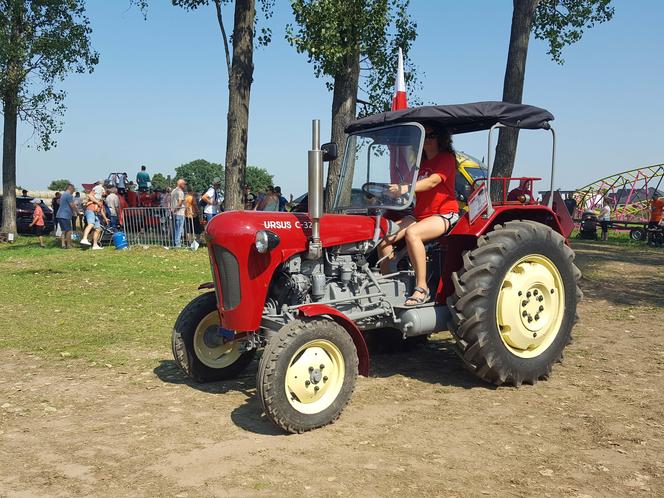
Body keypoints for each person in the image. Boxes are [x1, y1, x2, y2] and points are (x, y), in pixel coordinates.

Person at [377, 124, 459, 306]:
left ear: (441, 138)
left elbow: (432, 182)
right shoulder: (420, 164)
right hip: (420, 215)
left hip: (444, 214)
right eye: (424, 136)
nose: (427, 139)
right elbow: (407, 187)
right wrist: (390, 191)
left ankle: (422, 287)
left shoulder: (446, 158)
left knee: (413, 234)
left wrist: (405, 188)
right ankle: (390, 285)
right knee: (384, 238)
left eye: (432, 135)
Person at [81, 180, 107, 249]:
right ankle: (84, 239)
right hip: (90, 210)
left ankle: (95, 245)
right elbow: (90, 195)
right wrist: (97, 202)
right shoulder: (99, 188)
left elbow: (101, 210)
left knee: (98, 229)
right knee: (91, 224)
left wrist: (105, 219)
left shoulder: (100, 199)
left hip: (95, 213)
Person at [55, 184, 80, 249]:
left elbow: (60, 203)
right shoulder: (69, 195)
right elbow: (72, 205)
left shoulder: (63, 195)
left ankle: (63, 244)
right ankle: (69, 245)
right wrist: (77, 212)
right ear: (70, 188)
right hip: (65, 215)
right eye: (73, 190)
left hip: (59, 215)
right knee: (69, 231)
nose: (73, 191)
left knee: (63, 231)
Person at [171, 179, 187, 247]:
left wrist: (173, 210)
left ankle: (174, 243)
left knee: (175, 229)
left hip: (174, 213)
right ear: (181, 184)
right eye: (184, 184)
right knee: (179, 229)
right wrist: (176, 210)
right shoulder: (180, 192)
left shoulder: (174, 191)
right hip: (179, 213)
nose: (185, 185)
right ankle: (177, 244)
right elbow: (180, 203)